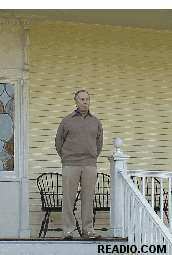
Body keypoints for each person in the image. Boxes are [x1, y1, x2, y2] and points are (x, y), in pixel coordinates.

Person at [55, 89, 103, 240]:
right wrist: (66, 158)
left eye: (87, 99)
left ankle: (87, 231)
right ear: (75, 102)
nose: (85, 102)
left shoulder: (96, 122)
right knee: (68, 199)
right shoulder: (67, 120)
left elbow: (99, 144)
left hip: (89, 165)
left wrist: (92, 157)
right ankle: (68, 231)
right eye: (82, 99)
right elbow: (58, 142)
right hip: (70, 164)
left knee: (88, 199)